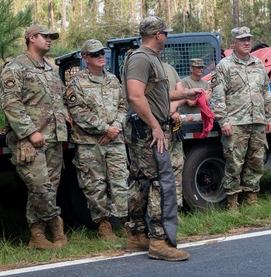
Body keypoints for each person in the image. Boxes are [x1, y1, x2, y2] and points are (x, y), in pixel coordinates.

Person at [122, 16, 201, 261]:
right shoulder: (140, 58)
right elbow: (136, 97)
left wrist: (185, 92)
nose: (166, 36)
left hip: (146, 130)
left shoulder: (150, 59)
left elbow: (156, 92)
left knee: (142, 182)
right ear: (158, 35)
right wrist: (156, 126)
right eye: (165, 33)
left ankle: (136, 235)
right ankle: (159, 241)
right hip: (148, 132)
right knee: (160, 182)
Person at [0, 24, 70, 250]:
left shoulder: (49, 69)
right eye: (45, 37)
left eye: (51, 37)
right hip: (29, 140)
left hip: (53, 138)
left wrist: (66, 119)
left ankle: (37, 236)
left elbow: (58, 101)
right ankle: (56, 225)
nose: (49, 40)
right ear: (31, 38)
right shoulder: (16, 67)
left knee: (49, 188)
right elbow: (11, 103)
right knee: (40, 186)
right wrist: (29, 132)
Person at [64, 39, 128, 240]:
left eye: (102, 53)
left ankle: (127, 223)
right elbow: (78, 112)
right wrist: (104, 129)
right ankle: (104, 225)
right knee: (94, 185)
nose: (101, 56)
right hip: (90, 144)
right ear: (85, 58)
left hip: (115, 141)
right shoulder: (77, 83)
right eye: (95, 54)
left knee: (120, 181)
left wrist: (115, 128)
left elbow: (123, 106)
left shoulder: (113, 80)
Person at [210, 26, 271, 211]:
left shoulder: (258, 64)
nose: (247, 43)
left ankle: (251, 198)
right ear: (234, 43)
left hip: (257, 122)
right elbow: (217, 96)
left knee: (256, 162)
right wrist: (224, 121)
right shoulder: (225, 66)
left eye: (248, 39)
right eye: (242, 40)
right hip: (236, 123)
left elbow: (266, 92)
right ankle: (232, 203)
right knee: (234, 163)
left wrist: (270, 116)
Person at [164, 61, 186, 207]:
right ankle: (164, 209)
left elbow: (183, 95)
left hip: (174, 126)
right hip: (157, 126)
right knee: (162, 170)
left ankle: (176, 208)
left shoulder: (170, 68)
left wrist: (173, 108)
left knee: (177, 166)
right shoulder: (144, 66)